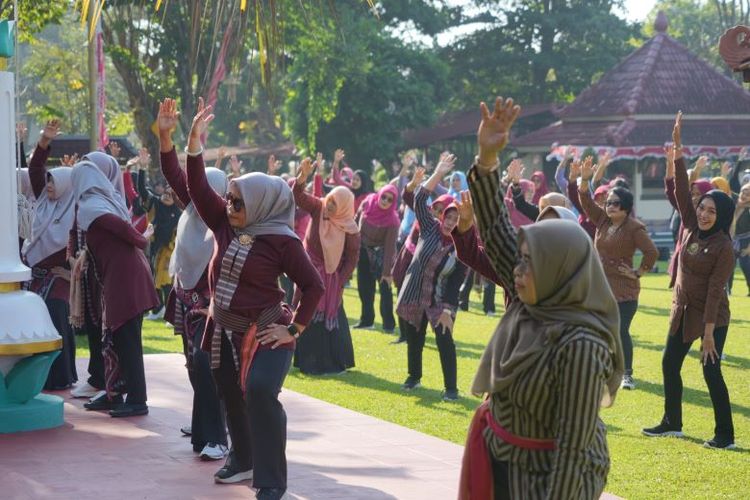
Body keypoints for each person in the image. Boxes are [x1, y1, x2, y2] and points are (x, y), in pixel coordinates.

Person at [457, 97, 623, 500]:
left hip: (545, 483)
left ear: (559, 269)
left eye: (528, 262)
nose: (516, 270)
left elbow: (573, 450)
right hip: (502, 463)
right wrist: (487, 158)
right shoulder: (534, 300)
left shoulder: (581, 344)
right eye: (520, 260)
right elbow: (496, 232)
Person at [184, 98, 323, 498]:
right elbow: (194, 186)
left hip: (265, 331)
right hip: (223, 328)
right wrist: (193, 145)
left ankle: (271, 482)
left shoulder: (282, 241)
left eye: (238, 201)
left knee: (260, 393)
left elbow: (314, 286)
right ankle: (242, 459)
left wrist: (294, 326)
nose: (229, 205)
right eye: (229, 198)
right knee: (228, 390)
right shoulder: (226, 224)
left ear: (262, 203)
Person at [643, 112, 737, 450]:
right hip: (683, 309)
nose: (705, 214)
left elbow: (716, 290)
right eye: (703, 208)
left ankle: (725, 435)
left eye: (712, 211)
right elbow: (682, 189)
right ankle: (673, 422)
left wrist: (709, 333)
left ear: (722, 216)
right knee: (670, 363)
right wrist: (679, 150)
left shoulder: (724, 246)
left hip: (712, 316)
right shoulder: (692, 226)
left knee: (711, 372)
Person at [156, 98, 229, 460]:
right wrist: (167, 135)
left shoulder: (226, 221)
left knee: (208, 365)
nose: (198, 197)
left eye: (207, 192)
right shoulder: (194, 208)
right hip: (187, 303)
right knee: (194, 364)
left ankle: (219, 435)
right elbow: (175, 174)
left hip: (215, 311)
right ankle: (205, 423)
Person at [70, 158, 158, 418]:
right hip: (121, 277)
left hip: (126, 280)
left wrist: (143, 237)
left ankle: (137, 399)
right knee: (117, 340)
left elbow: (132, 237)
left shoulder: (93, 209)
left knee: (127, 340)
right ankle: (115, 392)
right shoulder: (98, 205)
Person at [575, 156, 658, 390]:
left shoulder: (634, 228)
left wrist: (637, 272)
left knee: (620, 331)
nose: (609, 206)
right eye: (608, 202)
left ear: (626, 207)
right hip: (600, 286)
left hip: (624, 290)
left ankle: (627, 375)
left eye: (615, 203)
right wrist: (584, 180)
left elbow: (651, 252)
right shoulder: (602, 220)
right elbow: (585, 201)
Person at [396, 155, 467, 401]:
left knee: (445, 341)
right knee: (415, 335)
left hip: (439, 299)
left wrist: (448, 309)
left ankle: (451, 389)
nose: (450, 222)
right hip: (415, 291)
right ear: (442, 216)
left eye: (456, 220)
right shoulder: (429, 228)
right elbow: (418, 198)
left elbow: (456, 283)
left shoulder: (462, 249)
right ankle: (413, 377)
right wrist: (438, 172)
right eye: (448, 217)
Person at [22, 120, 77, 390]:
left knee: (56, 316)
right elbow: (35, 167)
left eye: (55, 180)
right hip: (34, 276)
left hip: (59, 279)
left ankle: (61, 377)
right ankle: (36, 376)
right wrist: (44, 139)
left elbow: (80, 249)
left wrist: (70, 273)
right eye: (50, 179)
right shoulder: (44, 198)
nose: (50, 184)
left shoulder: (74, 211)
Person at [292, 158, 360, 374]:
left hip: (331, 280)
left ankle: (330, 364)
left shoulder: (350, 228)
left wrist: (339, 281)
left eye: (334, 204)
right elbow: (298, 197)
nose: (329, 206)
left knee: (330, 319)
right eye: (329, 200)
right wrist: (303, 177)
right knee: (302, 311)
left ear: (344, 207)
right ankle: (304, 361)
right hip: (307, 271)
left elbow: (352, 258)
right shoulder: (318, 207)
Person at [354, 184, 399, 332]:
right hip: (364, 251)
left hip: (381, 254)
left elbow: (390, 247)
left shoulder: (393, 220)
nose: (385, 201)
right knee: (364, 288)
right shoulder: (367, 203)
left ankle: (388, 325)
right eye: (384, 196)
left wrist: (387, 272)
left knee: (385, 289)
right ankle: (366, 320)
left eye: (390, 200)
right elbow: (355, 223)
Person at [734, 182, 750, 295]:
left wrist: (749, 248)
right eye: (742, 192)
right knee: (728, 267)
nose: (744, 195)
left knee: (746, 267)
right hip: (732, 240)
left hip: (746, 241)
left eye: (748, 194)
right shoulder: (734, 204)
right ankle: (727, 290)